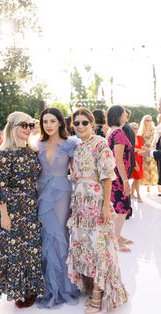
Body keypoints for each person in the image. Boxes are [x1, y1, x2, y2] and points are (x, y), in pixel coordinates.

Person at [67, 107, 128, 314]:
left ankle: (98, 295)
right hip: (79, 202)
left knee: (99, 248)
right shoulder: (77, 146)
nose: (81, 126)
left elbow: (107, 176)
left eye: (85, 122)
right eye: (77, 123)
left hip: (96, 201)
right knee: (86, 247)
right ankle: (92, 286)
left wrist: (104, 206)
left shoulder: (100, 143)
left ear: (92, 124)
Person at [0, 112, 44, 308]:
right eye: (23, 125)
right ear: (12, 128)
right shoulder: (4, 154)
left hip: (31, 207)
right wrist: (4, 215)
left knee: (31, 250)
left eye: (30, 124)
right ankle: (18, 291)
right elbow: (1, 187)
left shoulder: (33, 151)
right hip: (12, 210)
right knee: (14, 252)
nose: (28, 128)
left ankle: (31, 289)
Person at [36, 108, 79, 308]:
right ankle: (47, 286)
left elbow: (78, 171)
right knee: (46, 235)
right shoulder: (38, 143)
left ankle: (63, 285)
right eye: (45, 121)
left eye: (53, 121)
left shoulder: (71, 143)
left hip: (62, 192)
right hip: (42, 192)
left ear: (60, 122)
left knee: (60, 235)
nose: (49, 125)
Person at [107, 105, 133, 252]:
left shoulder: (112, 132)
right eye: (124, 113)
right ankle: (115, 239)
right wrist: (125, 181)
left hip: (114, 176)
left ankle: (118, 235)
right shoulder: (119, 134)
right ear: (119, 115)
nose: (126, 115)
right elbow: (118, 159)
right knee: (122, 208)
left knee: (119, 207)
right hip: (118, 177)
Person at [138, 115, 157, 192]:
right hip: (145, 151)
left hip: (152, 150)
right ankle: (147, 185)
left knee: (153, 168)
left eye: (150, 120)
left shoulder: (154, 130)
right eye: (147, 120)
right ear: (144, 121)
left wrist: (152, 148)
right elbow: (140, 141)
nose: (149, 122)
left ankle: (156, 185)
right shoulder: (141, 131)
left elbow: (156, 140)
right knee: (146, 168)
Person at [129, 122, 144, 202]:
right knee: (137, 178)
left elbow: (142, 148)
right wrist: (139, 150)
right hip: (133, 159)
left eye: (137, 128)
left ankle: (132, 193)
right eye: (134, 128)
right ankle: (138, 195)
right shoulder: (129, 138)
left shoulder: (139, 137)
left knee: (137, 178)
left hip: (140, 159)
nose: (136, 129)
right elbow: (130, 150)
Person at [122, 109, 136, 178]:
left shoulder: (124, 128)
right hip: (128, 162)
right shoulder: (128, 127)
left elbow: (125, 147)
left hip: (125, 163)